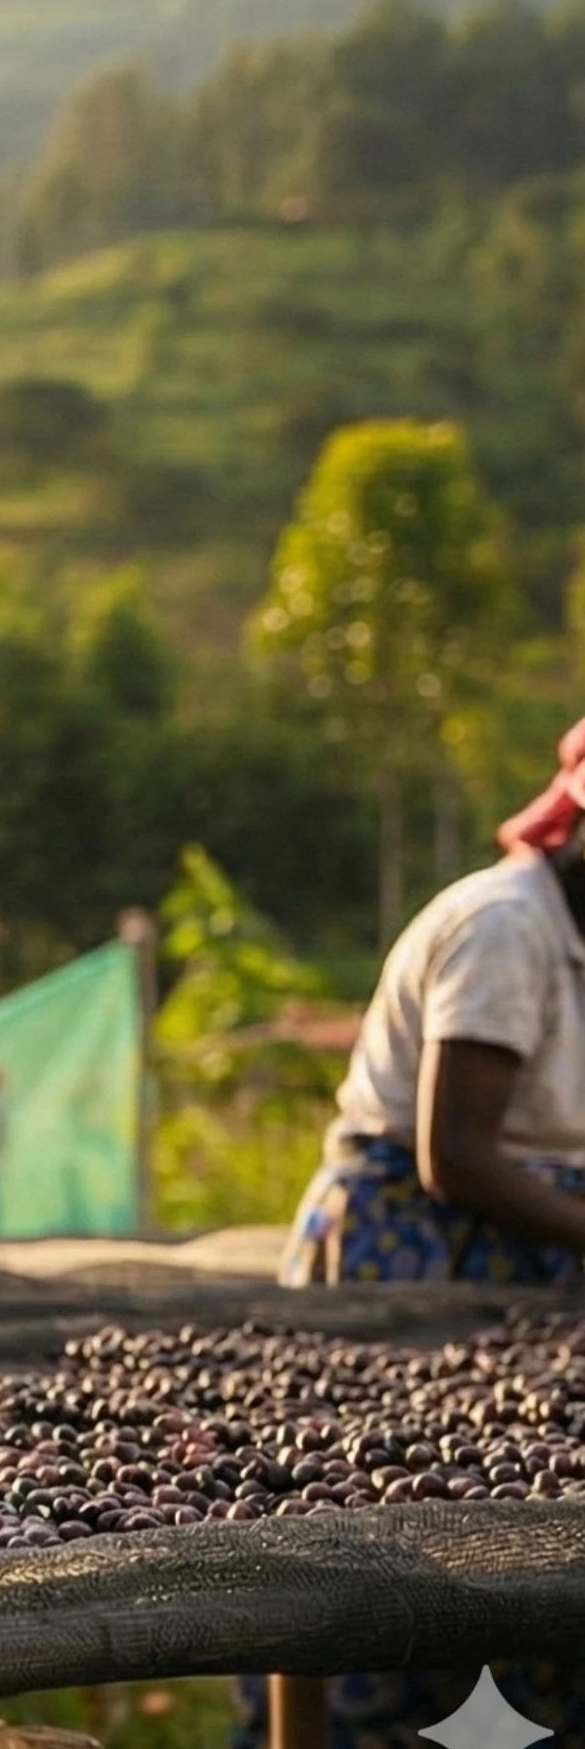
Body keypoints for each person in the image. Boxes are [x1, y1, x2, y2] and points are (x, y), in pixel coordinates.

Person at [248, 723, 585, 1748]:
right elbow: (457, 1154)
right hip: (417, 1245)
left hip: (534, 1248)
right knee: (377, 1540)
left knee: (512, 1549)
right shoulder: (505, 925)